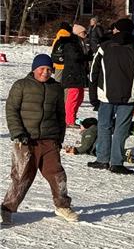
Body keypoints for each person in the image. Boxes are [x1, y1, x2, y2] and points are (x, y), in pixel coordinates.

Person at [2, 54, 79, 226]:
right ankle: (6, 209)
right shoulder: (21, 85)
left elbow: (60, 115)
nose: (45, 72)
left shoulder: (56, 88)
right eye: (42, 69)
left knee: (57, 175)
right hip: (25, 140)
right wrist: (18, 133)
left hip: (49, 140)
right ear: (34, 69)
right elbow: (11, 110)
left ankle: (62, 206)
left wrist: (59, 137)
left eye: (49, 69)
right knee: (22, 176)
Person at [88, 18, 134, 174]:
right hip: (129, 96)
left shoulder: (104, 47)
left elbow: (93, 73)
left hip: (105, 94)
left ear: (117, 29)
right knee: (121, 128)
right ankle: (116, 162)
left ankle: (102, 159)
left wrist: (93, 96)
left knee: (104, 126)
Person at [61, 24, 90, 127]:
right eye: (84, 32)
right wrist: (86, 56)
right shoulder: (71, 43)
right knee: (73, 97)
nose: (86, 34)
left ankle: (72, 116)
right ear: (78, 33)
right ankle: (69, 120)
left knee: (80, 97)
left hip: (79, 73)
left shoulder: (80, 42)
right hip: (73, 74)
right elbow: (74, 57)